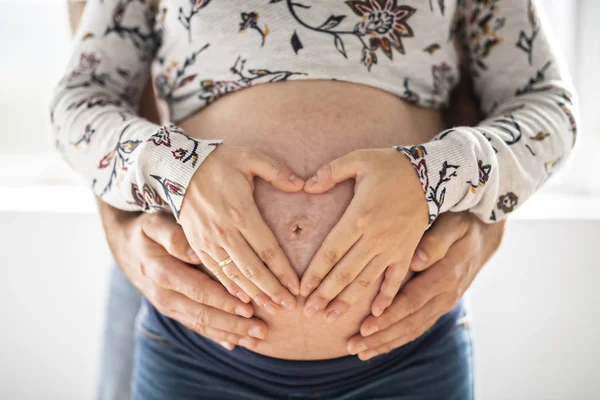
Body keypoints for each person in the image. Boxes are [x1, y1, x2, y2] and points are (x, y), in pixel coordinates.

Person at [54, 1, 577, 399]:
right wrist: (174, 169)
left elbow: (545, 107)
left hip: (409, 359)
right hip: (198, 357)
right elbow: (81, 102)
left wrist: (433, 176)